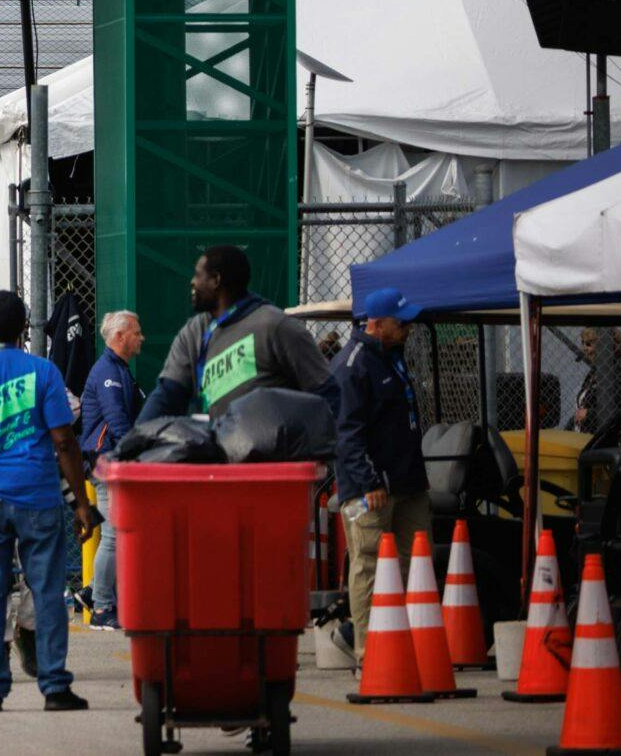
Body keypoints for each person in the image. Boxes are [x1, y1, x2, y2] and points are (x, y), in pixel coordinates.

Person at [0, 290, 94, 712]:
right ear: (25, 329)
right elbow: (64, 441)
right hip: (39, 499)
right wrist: (81, 502)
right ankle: (55, 686)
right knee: (46, 592)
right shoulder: (43, 373)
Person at [137, 243, 331, 421]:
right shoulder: (194, 331)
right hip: (219, 449)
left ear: (216, 280)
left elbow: (327, 392)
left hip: (272, 454)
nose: (192, 282)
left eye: (198, 274)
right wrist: (131, 445)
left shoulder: (275, 326)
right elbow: (167, 395)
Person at [334, 286, 427, 653]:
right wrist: (369, 481)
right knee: (369, 564)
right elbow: (346, 435)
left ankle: (409, 644)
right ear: (377, 324)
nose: (408, 328)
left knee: (414, 562)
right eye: (401, 322)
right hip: (372, 490)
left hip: (408, 484)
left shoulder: (392, 356)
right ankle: (369, 650)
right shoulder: (352, 364)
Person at [78, 310, 142, 630]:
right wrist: (135, 457)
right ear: (119, 336)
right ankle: (101, 605)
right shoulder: (109, 371)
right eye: (136, 332)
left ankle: (94, 592)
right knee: (115, 535)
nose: (141, 338)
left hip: (109, 461)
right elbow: (117, 421)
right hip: (108, 463)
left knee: (119, 534)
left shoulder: (117, 370)